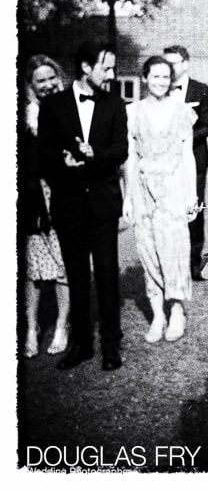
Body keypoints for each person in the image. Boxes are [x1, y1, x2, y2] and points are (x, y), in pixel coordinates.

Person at [37, 41, 128, 370]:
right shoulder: (53, 106)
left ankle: (110, 345)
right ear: (87, 68)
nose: (112, 73)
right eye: (107, 67)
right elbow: (41, 155)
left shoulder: (115, 104)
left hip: (104, 205)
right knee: (75, 277)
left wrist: (95, 155)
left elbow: (120, 151)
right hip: (69, 204)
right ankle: (82, 344)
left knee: (106, 276)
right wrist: (62, 163)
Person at [124, 56, 197, 343]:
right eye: (155, 76)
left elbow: (188, 154)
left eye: (165, 77)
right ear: (145, 78)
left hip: (174, 188)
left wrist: (192, 194)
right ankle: (158, 313)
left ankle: (177, 310)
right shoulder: (133, 112)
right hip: (143, 191)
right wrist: (128, 198)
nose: (160, 82)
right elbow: (130, 158)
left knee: (175, 249)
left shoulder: (181, 111)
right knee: (148, 251)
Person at [21, 55, 70, 358]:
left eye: (52, 78)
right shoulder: (25, 117)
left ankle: (63, 325)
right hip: (33, 200)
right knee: (33, 270)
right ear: (30, 86)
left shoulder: (70, 110)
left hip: (66, 200)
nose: (48, 84)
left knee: (64, 265)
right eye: (40, 81)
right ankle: (31, 328)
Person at [163, 45, 208, 281]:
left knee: (194, 209)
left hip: (194, 159)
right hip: (166, 161)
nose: (169, 69)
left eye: (173, 63)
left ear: (185, 63)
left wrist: (182, 140)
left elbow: (206, 125)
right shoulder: (160, 88)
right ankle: (171, 263)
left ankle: (194, 263)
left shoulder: (201, 90)